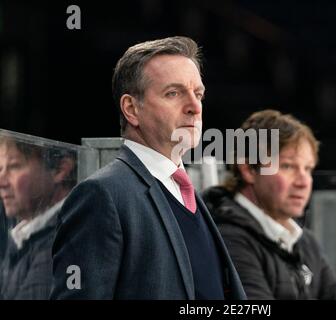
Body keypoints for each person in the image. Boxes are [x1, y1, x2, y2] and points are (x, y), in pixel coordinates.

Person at [50, 36, 246, 300]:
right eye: (173, 93)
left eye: (198, 94)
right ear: (131, 109)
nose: (194, 107)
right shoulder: (101, 196)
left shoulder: (185, 191)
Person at [202, 109, 336, 300]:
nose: (303, 182)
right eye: (288, 166)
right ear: (249, 169)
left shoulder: (305, 242)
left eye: (308, 169)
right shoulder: (227, 238)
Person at [0, 136, 76, 299]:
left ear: (60, 170)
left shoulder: (63, 240)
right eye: (0, 169)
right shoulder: (25, 236)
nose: (2, 181)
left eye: (14, 167)